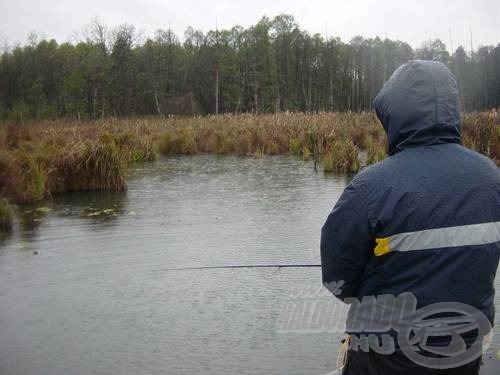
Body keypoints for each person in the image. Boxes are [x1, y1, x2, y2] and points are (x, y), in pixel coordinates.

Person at [320, 60, 500, 374]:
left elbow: (337, 280)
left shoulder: (370, 186)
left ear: (394, 115)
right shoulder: (491, 177)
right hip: (464, 350)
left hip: (384, 356)